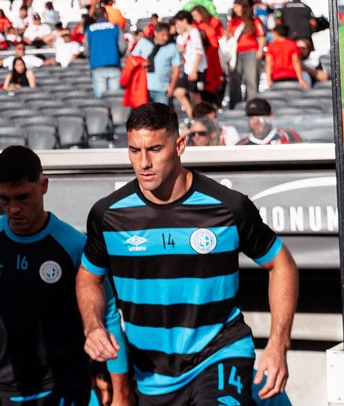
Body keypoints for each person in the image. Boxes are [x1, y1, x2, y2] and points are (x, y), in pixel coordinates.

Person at [78, 103, 298, 404]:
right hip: (152, 377)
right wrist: (93, 326)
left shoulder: (228, 207)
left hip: (220, 354)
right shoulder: (108, 215)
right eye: (134, 151)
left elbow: (281, 264)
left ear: (180, 145)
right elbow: (88, 277)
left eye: (155, 149)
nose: (144, 162)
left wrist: (278, 344)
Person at [0, 146, 131, 405]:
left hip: (67, 384)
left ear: (43, 186)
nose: (14, 209)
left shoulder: (74, 246)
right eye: (5, 199)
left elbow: (108, 313)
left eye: (23, 197)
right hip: (6, 387)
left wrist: (121, 394)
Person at [131, 22, 186, 112]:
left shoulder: (172, 47)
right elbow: (132, 60)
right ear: (156, 33)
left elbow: (176, 70)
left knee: (161, 115)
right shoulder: (143, 43)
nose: (165, 38)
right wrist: (141, 63)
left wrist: (172, 87)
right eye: (162, 35)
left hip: (162, 88)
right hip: (143, 87)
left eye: (167, 35)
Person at [227, 0, 266, 107]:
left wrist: (260, 50)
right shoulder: (233, 21)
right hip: (235, 53)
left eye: (238, 7)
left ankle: (251, 103)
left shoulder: (254, 20)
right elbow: (229, 35)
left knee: (251, 79)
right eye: (234, 7)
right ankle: (235, 104)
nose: (236, 9)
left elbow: (261, 36)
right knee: (235, 79)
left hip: (251, 52)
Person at [86, 7, 124, 98]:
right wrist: (116, 54)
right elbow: (123, 47)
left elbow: (86, 50)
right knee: (115, 98)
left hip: (97, 66)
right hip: (114, 65)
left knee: (101, 100)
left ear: (94, 17)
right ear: (106, 15)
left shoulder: (89, 29)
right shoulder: (115, 27)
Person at [237, 98, 302, 145]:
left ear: (271, 116)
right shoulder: (241, 145)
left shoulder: (289, 136)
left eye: (260, 115)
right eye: (251, 117)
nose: (255, 121)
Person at [264, 26, 306, 90]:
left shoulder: (271, 46)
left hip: (277, 78)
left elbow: (268, 64)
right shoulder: (292, 44)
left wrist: (269, 80)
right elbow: (296, 62)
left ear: (276, 33)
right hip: (292, 77)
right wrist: (301, 79)